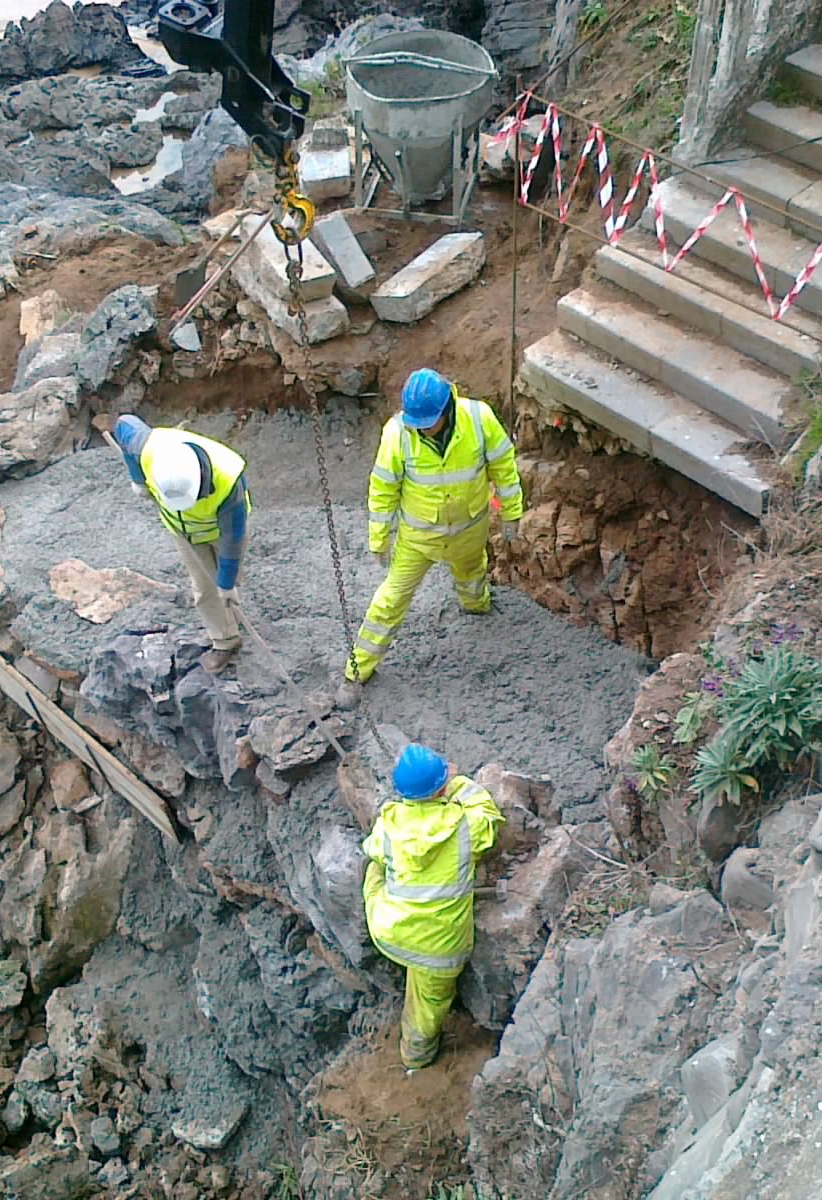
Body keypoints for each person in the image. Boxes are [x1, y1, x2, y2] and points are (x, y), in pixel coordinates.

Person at [338, 368, 524, 702]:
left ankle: (476, 608)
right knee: (389, 601)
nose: (421, 428)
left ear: (447, 408)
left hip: (469, 529)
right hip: (418, 540)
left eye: (427, 421)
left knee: (472, 573)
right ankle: (357, 672)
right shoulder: (398, 434)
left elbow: (505, 469)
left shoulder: (479, 420)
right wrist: (379, 536)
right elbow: (383, 488)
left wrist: (512, 513)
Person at [363, 743, 504, 1069]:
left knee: (374, 872)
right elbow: (488, 811)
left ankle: (399, 956)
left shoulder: (389, 825)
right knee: (429, 1004)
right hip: (439, 951)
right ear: (442, 786)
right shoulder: (466, 827)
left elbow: (371, 848)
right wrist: (459, 784)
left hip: (389, 931)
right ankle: (416, 1058)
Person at [103, 413, 250, 673]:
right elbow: (122, 426)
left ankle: (230, 603)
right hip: (182, 531)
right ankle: (225, 640)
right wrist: (137, 479)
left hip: (220, 531)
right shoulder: (149, 447)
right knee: (205, 588)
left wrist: (226, 583)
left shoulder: (229, 483)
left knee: (227, 579)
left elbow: (232, 541)